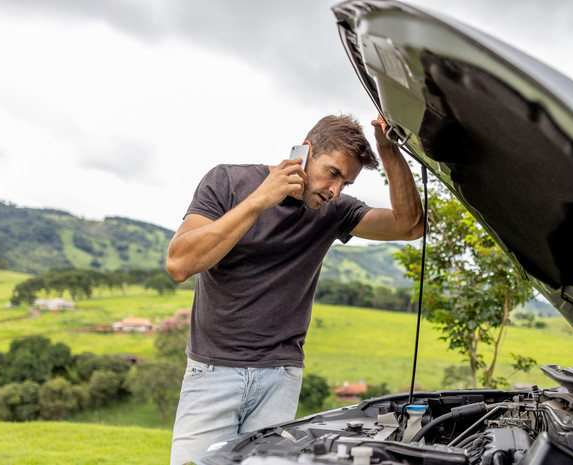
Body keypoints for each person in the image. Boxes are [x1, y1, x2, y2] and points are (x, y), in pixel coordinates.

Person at [166, 114, 424, 464]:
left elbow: (409, 226)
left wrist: (389, 150)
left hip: (281, 376)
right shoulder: (227, 180)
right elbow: (181, 263)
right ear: (304, 152)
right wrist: (260, 200)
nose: (335, 191)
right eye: (333, 173)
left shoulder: (334, 211)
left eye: (346, 183)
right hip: (212, 371)